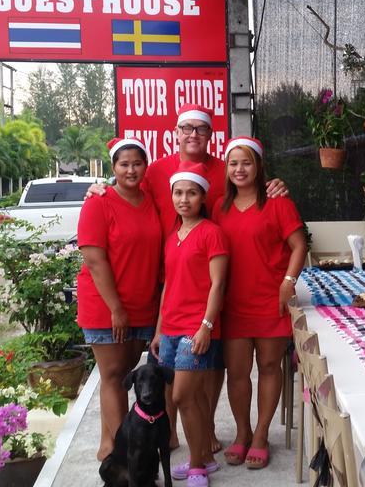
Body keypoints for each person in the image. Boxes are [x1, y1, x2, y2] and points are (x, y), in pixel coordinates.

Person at [87, 104, 287, 452]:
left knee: (208, 364)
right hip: (165, 284)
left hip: (209, 284)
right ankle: (169, 432)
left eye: (201, 128)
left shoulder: (227, 168)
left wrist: (276, 186)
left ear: (211, 135)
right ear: (175, 132)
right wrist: (99, 188)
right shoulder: (156, 170)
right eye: (186, 127)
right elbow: (126, 183)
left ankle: (205, 429)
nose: (193, 134)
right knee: (167, 365)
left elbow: (251, 183)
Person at [213, 137, 306, 470]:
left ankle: (262, 434)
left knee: (269, 368)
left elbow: (299, 245)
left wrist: (288, 282)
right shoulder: (218, 208)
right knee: (238, 374)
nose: (240, 169)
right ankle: (242, 433)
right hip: (233, 305)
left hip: (271, 302)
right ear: (227, 169)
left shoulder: (279, 203)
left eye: (247, 162)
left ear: (259, 166)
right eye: (233, 163)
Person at [76, 137, 162, 461]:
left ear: (145, 166)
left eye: (137, 163)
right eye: (124, 164)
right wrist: (117, 309)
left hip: (142, 304)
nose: (131, 170)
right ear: (113, 168)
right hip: (107, 306)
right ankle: (121, 454)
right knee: (113, 375)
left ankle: (109, 440)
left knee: (126, 372)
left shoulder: (152, 200)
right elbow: (95, 260)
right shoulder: (98, 203)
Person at [150, 161, 228, 487]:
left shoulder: (212, 234)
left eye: (191, 193)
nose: (184, 199)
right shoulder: (172, 237)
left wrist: (206, 326)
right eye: (179, 193)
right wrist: (157, 330)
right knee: (188, 398)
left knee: (182, 396)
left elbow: (218, 284)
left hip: (196, 329)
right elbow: (168, 286)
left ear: (202, 198)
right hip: (169, 329)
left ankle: (195, 465)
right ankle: (205, 458)